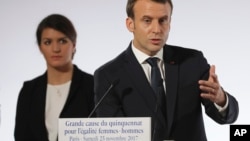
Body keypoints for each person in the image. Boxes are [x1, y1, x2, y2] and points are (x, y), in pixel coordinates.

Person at [94, 0, 239, 141]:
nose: (157, 29)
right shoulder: (108, 75)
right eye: (147, 20)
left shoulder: (192, 61)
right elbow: (113, 135)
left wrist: (221, 99)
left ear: (170, 23)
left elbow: (227, 117)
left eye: (163, 20)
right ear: (130, 24)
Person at [14, 14, 95, 141]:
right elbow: (21, 137)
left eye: (62, 41)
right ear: (40, 47)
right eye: (48, 42)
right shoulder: (29, 91)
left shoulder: (94, 86)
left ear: (73, 45)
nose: (55, 49)